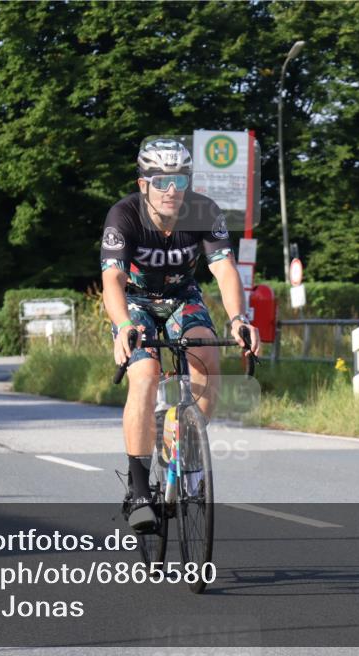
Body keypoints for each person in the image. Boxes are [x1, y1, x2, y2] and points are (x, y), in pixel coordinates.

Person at [100, 138, 261, 531]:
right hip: (135, 302)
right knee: (145, 375)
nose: (171, 190)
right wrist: (123, 326)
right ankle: (140, 490)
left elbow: (223, 269)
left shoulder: (203, 210)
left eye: (180, 180)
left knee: (208, 358)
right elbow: (112, 279)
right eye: (161, 181)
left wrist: (238, 318)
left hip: (182, 297)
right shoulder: (123, 215)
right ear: (143, 184)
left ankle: (186, 452)